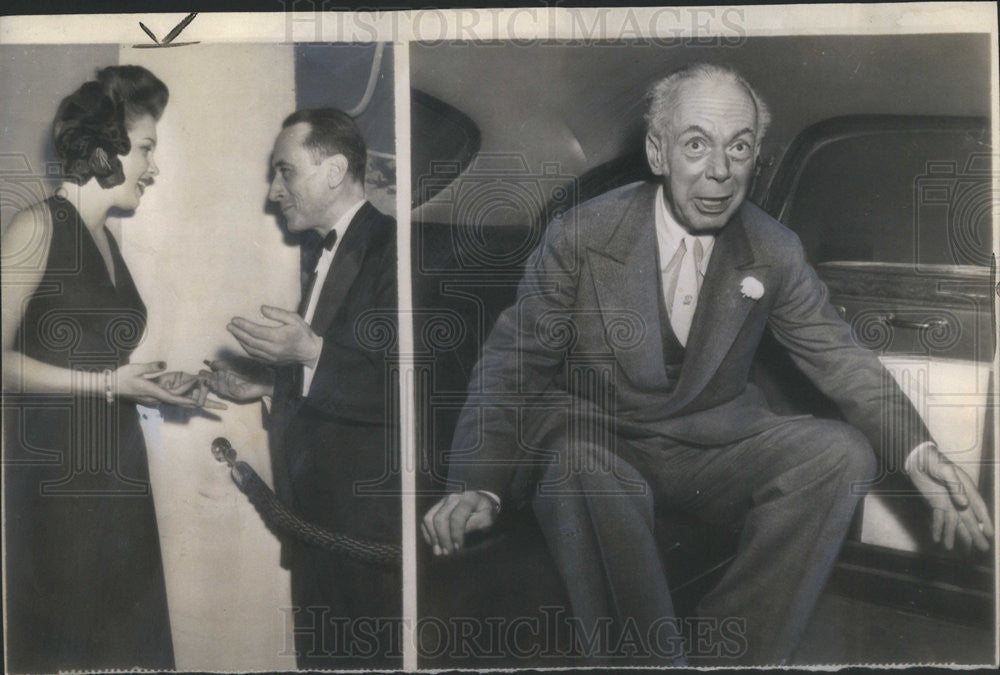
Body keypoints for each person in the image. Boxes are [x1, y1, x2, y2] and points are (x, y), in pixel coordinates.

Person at [421, 63, 994, 665]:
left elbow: (840, 355)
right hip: (601, 439)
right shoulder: (580, 235)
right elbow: (513, 364)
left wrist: (918, 452)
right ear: (657, 151)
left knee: (838, 453)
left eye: (739, 147)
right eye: (696, 143)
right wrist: (476, 482)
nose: (720, 171)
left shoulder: (774, 249)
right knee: (575, 462)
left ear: (755, 158)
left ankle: (734, 654)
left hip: (714, 446)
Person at [2, 65, 222, 672]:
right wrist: (106, 383)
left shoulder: (108, 240)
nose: (154, 167)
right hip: (56, 482)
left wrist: (148, 386)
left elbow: (95, 361)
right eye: (147, 148)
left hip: (117, 469)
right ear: (105, 149)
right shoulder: (36, 226)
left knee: (128, 641)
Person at [205, 108, 400, 669]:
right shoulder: (327, 253)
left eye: (285, 172)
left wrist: (309, 353)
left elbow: (410, 386)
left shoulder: (397, 250)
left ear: (335, 170)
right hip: (318, 531)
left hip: (366, 542)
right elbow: (342, 377)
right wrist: (269, 386)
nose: (273, 191)